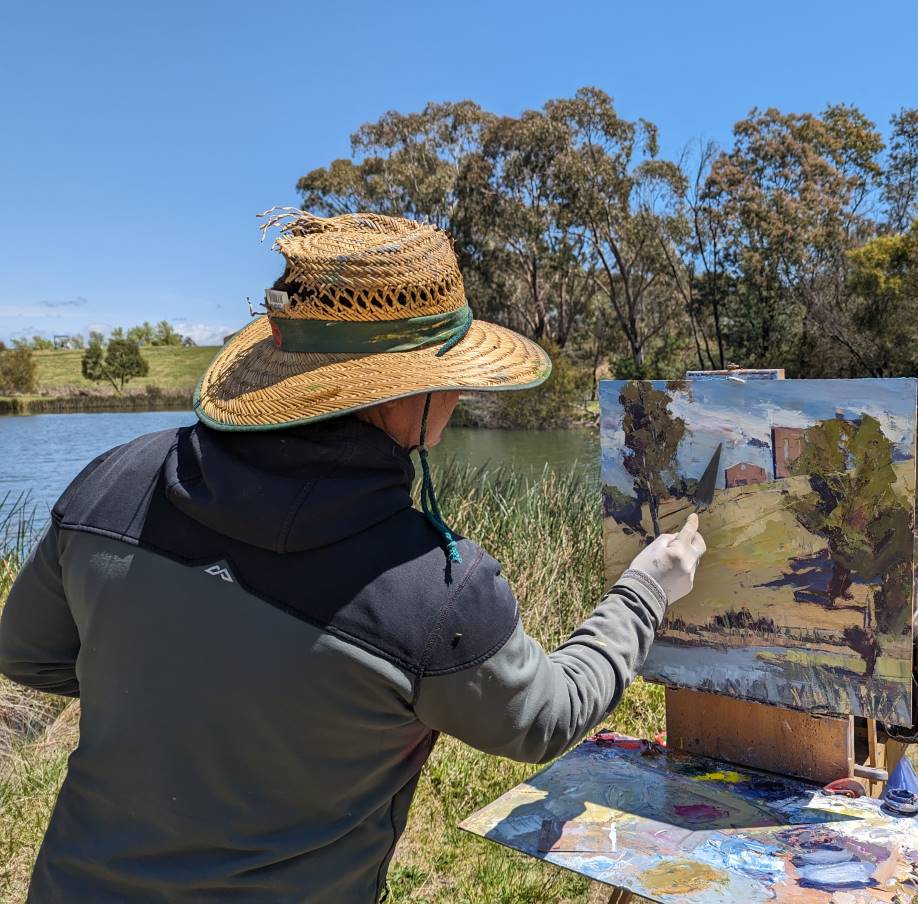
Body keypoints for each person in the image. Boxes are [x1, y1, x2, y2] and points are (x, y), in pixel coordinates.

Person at [0, 211, 707, 902]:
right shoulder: (432, 590)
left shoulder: (112, 482)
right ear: (411, 394)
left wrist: (180, 696)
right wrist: (645, 587)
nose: (460, 395)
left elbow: (27, 654)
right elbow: (545, 717)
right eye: (453, 374)